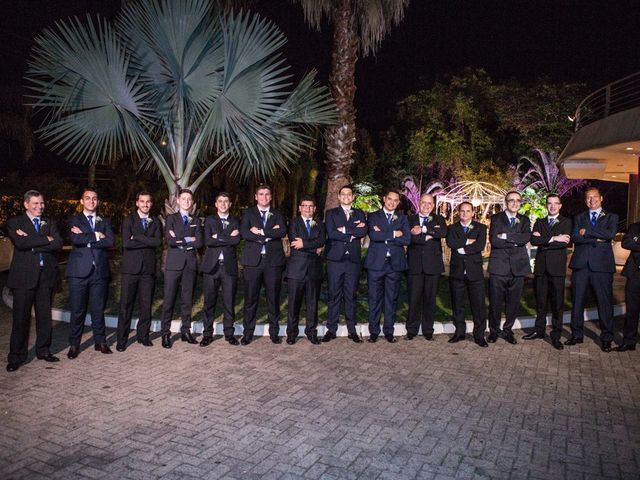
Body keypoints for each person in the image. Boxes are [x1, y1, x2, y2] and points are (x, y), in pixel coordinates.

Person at [5, 190, 63, 372]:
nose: (40, 207)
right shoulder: (15, 222)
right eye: (36, 204)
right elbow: (20, 244)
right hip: (24, 278)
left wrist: (32, 243)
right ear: (26, 205)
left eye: (42, 203)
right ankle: (16, 357)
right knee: (20, 319)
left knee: (44, 318)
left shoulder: (50, 222)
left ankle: (43, 350)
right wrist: (46, 239)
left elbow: (58, 243)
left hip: (46, 278)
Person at [567, 187, 619, 351]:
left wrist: (587, 231)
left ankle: (607, 337)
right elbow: (575, 237)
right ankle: (576, 335)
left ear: (601, 198)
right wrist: (596, 237)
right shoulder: (579, 217)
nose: (592, 200)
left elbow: (609, 234)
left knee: (604, 302)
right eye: (588, 198)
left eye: (595, 197)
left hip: (602, 266)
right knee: (577, 302)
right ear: (585, 200)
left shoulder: (612, 217)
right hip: (581, 265)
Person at [66, 187, 115, 359]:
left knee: (98, 309)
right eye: (87, 198)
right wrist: (95, 235)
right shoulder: (74, 219)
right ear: (81, 201)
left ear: (98, 201)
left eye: (94, 198)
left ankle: (100, 342)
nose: (91, 201)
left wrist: (87, 238)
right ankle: (74, 345)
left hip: (99, 272)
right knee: (77, 310)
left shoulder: (105, 220)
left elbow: (110, 241)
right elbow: (75, 239)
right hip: (78, 272)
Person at [240, 184, 287, 345]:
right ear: (256, 196)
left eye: (267, 194)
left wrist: (260, 232)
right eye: (261, 194)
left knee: (273, 299)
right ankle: (248, 333)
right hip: (253, 262)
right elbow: (244, 232)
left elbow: (282, 231)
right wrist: (268, 234)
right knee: (250, 299)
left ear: (271, 197)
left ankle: (274, 333)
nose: (264, 197)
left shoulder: (278, 214)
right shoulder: (248, 213)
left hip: (273, 262)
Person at [116, 191, 162, 351]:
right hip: (131, 270)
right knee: (126, 305)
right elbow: (126, 244)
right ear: (137, 203)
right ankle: (121, 340)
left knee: (146, 304)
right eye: (142, 201)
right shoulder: (129, 220)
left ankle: (143, 336)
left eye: (148, 202)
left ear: (151, 204)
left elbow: (157, 242)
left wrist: (137, 237)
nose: (145, 204)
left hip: (148, 270)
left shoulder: (155, 221)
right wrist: (146, 241)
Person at [364, 188, 410, 343]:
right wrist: (393, 234)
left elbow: (406, 240)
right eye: (390, 199)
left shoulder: (402, 218)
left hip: (394, 264)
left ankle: (389, 331)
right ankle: (374, 332)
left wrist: (384, 234)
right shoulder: (373, 216)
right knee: (374, 298)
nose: (392, 202)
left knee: (391, 299)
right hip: (376, 263)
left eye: (396, 200)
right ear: (384, 199)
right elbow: (374, 235)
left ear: (398, 203)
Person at [323, 185, 367, 343]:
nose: (347, 196)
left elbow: (363, 231)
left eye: (349, 194)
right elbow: (331, 233)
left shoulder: (360, 213)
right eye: (343, 194)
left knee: (351, 296)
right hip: (335, 260)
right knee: (334, 295)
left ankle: (352, 329)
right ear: (339, 197)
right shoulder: (331, 213)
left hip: (353, 261)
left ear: (353, 197)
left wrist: (344, 230)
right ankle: (331, 329)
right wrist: (352, 231)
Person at [527, 194, 572, 350]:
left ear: (560, 205)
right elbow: (533, 241)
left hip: (557, 269)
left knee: (557, 304)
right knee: (540, 302)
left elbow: (564, 243)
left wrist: (544, 240)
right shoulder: (539, 221)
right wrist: (554, 238)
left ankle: (556, 336)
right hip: (541, 268)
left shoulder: (567, 222)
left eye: (555, 203)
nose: (552, 206)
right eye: (549, 203)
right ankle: (539, 331)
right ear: (546, 205)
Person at [160, 189, 202, 349]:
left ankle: (186, 331)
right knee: (169, 300)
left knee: (187, 300)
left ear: (192, 202)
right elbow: (170, 240)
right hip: (173, 265)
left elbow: (199, 242)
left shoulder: (196, 220)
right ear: (177, 200)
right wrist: (189, 238)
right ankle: (165, 333)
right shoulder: (171, 218)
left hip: (190, 265)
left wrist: (180, 239)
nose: (186, 201)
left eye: (189, 199)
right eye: (183, 198)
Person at [487, 191, 531, 345]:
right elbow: (494, 241)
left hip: (518, 267)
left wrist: (506, 236)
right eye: (511, 200)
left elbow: (526, 238)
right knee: (495, 302)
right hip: (499, 267)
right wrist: (515, 240)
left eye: (518, 200)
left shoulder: (524, 220)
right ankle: (494, 331)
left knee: (513, 302)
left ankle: (508, 331)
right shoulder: (496, 218)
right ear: (506, 202)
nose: (515, 203)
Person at [200, 192, 241, 347]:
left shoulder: (235, 220)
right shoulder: (210, 220)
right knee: (209, 302)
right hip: (211, 267)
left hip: (229, 267)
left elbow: (236, 240)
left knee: (229, 302)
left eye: (226, 201)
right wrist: (227, 237)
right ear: (216, 204)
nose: (223, 204)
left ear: (230, 204)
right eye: (220, 201)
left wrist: (219, 237)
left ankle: (229, 334)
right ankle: (207, 334)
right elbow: (208, 241)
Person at [446, 202, 488, 347]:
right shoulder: (452, 228)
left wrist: (462, 249)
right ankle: (459, 333)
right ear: (459, 212)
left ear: (472, 213)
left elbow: (479, 245)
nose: (464, 214)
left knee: (478, 305)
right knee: (458, 304)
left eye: (467, 211)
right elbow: (450, 242)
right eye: (462, 211)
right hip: (457, 272)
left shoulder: (481, 228)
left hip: (474, 273)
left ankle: (479, 335)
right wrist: (466, 241)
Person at [285, 196, 326, 345]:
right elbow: (295, 242)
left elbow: (322, 240)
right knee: (293, 304)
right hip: (296, 270)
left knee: (312, 304)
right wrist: (313, 246)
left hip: (314, 270)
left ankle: (311, 332)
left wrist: (305, 243)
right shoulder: (294, 223)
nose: (308, 209)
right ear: (300, 208)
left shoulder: (320, 224)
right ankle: (291, 333)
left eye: (311, 206)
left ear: (315, 209)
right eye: (305, 206)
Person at [406, 193, 447, 341]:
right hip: (415, 265)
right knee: (414, 298)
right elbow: (410, 237)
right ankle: (411, 329)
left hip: (433, 266)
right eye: (424, 202)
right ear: (419, 203)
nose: (426, 205)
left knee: (430, 299)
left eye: (429, 203)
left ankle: (428, 329)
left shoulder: (439, 219)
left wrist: (423, 230)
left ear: (433, 205)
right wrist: (430, 235)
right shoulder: (409, 219)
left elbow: (443, 232)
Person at [616, 221, 640, 351]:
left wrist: (636, 243)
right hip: (635, 274)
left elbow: (633, 243)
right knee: (631, 310)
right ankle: (629, 341)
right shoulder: (635, 226)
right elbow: (626, 243)